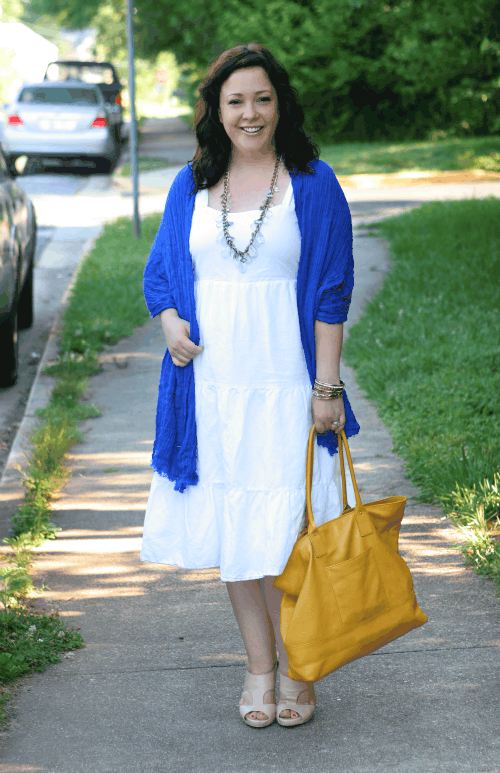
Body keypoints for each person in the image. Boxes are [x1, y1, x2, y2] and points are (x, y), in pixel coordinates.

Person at [140, 43, 359, 728]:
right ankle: (260, 667)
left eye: (262, 98)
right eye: (235, 101)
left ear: (281, 104)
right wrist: (172, 322)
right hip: (212, 389)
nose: (250, 112)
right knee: (238, 530)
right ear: (217, 111)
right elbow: (160, 276)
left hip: (286, 382)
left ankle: (301, 663)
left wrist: (327, 388)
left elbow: (330, 291)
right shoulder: (190, 185)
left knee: (291, 534)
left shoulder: (314, 183)